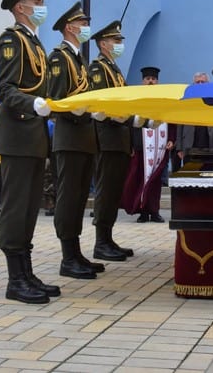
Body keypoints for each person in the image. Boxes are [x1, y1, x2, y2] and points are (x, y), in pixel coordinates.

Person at [0, 0, 60, 304]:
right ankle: (15, 280)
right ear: (21, 7)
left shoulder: (34, 41)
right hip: (17, 136)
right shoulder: (11, 40)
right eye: (38, 2)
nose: (42, 7)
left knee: (30, 208)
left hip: (32, 138)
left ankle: (27, 272)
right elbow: (5, 89)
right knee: (17, 209)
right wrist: (33, 104)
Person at [48, 2, 102, 280]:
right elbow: (57, 99)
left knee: (81, 197)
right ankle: (67, 257)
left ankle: (77, 252)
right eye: (82, 23)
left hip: (84, 138)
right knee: (68, 198)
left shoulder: (79, 57)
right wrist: (78, 111)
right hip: (69, 137)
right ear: (70, 27)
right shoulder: (59, 57)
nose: (86, 27)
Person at [88, 20, 134, 261]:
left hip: (119, 139)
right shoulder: (98, 68)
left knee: (114, 191)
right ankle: (100, 242)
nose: (119, 45)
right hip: (107, 139)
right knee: (106, 191)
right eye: (116, 41)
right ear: (103, 44)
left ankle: (108, 238)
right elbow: (102, 102)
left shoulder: (114, 68)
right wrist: (128, 119)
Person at [121, 67, 176, 223]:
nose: (151, 81)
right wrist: (130, 144)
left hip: (160, 146)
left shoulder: (163, 99)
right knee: (139, 179)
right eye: (148, 79)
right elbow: (130, 123)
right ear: (143, 81)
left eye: (153, 78)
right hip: (140, 146)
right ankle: (142, 211)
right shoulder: (136, 99)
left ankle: (154, 211)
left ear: (157, 81)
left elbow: (171, 120)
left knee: (156, 180)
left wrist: (172, 138)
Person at [175, 72, 213, 164]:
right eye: (197, 82)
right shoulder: (186, 101)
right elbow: (180, 125)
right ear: (193, 84)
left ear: (208, 84)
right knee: (190, 176)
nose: (200, 84)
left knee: (210, 175)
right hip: (189, 147)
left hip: (211, 147)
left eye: (203, 82)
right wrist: (179, 148)